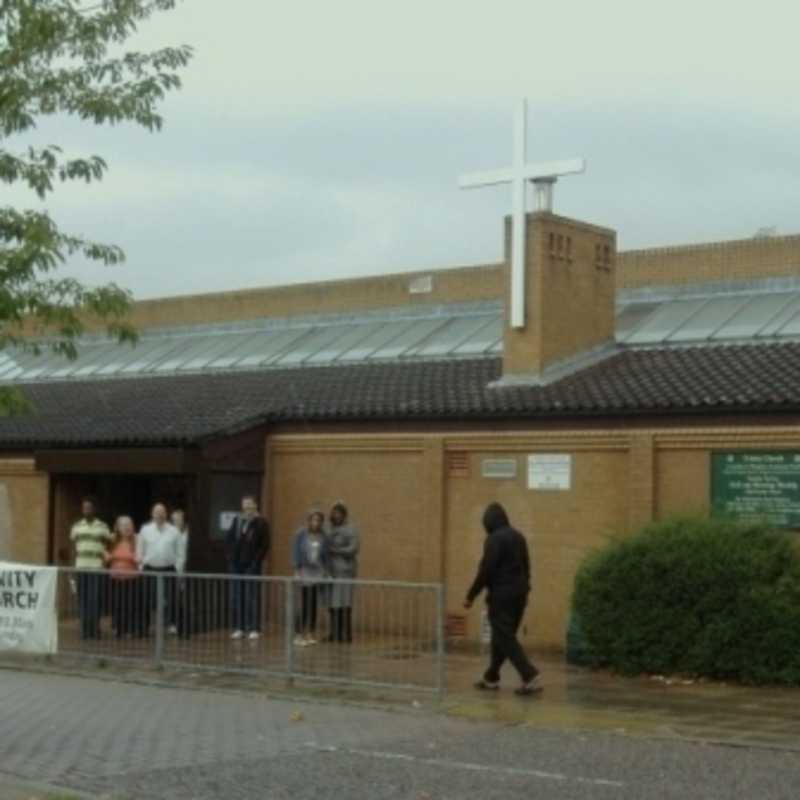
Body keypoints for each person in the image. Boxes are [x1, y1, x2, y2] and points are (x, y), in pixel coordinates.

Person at [463, 502, 541, 696]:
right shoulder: (519, 537)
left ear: (489, 523)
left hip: (501, 597)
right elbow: (527, 567)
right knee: (502, 638)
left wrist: (471, 595)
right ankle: (491, 677)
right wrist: (526, 589)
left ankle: (529, 675)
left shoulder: (494, 540)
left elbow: (486, 571)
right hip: (519, 595)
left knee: (505, 638)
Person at [224, 495, 270, 640]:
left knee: (252, 596)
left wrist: (256, 562)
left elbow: (264, 545)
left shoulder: (261, 522)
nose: (247, 509)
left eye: (250, 506)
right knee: (238, 596)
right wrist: (231, 558)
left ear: (255, 506)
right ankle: (240, 627)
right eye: (245, 506)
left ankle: (254, 627)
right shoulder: (238, 520)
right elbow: (229, 539)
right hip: (237, 565)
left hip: (252, 565)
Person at [136, 502, 181, 636]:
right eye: (157, 512)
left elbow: (180, 553)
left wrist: (177, 568)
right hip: (150, 569)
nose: (159, 515)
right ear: (152, 514)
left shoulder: (174, 530)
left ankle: (171, 625)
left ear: (166, 514)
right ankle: (144, 627)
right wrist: (141, 566)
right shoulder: (145, 530)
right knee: (146, 599)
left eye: (162, 512)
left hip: (169, 569)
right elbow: (140, 550)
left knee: (171, 598)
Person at [70, 498, 112, 640]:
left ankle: (94, 630)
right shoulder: (76, 526)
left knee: (94, 600)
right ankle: (85, 630)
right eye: (84, 508)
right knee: (82, 600)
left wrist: (106, 558)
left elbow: (110, 543)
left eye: (89, 507)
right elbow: (74, 547)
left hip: (96, 568)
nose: (86, 510)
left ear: (94, 509)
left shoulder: (102, 526)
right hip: (81, 567)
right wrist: (72, 567)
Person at [291, 507, 329, 647]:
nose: (316, 522)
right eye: (313, 519)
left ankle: (310, 632)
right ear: (309, 520)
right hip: (304, 571)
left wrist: (326, 570)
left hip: (317, 572)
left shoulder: (323, 535)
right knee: (304, 603)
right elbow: (295, 552)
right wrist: (296, 570)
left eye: (318, 520)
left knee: (313, 604)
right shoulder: (301, 534)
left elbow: (325, 555)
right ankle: (298, 633)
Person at [326, 501, 359, 643]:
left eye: (338, 514)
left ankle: (346, 634)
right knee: (333, 604)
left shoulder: (351, 530)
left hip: (345, 571)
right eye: (334, 514)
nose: (335, 516)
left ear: (344, 515)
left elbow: (353, 548)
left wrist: (336, 550)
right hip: (330, 571)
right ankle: (334, 633)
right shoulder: (329, 529)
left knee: (344, 603)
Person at [105, 516, 140, 638]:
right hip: (115, 578)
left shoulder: (137, 540)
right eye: (124, 525)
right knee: (117, 604)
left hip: (131, 578)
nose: (127, 527)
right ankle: (118, 629)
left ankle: (129, 629)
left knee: (130, 605)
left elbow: (138, 558)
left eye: (129, 524)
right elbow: (107, 557)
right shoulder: (113, 540)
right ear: (118, 527)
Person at [171, 509, 191, 639]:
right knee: (174, 598)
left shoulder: (189, 533)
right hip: (175, 569)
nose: (177, 522)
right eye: (174, 520)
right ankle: (174, 622)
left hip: (187, 569)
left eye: (179, 519)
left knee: (186, 598)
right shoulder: (170, 533)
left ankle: (186, 625)